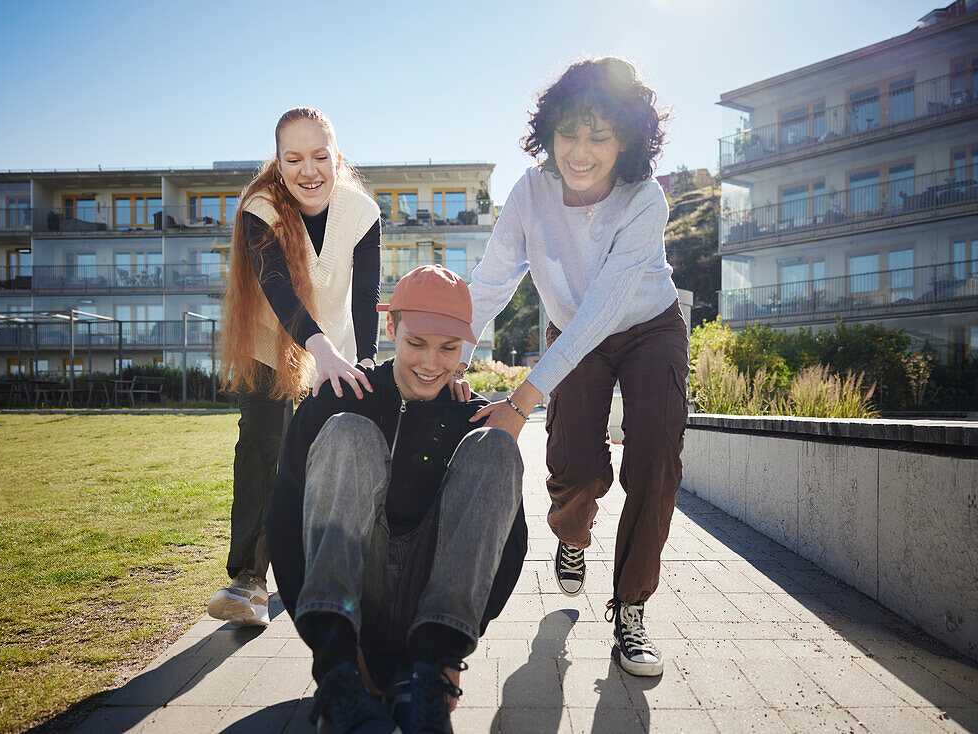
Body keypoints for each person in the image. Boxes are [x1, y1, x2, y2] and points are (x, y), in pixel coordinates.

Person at [461, 57, 686, 678]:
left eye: (599, 135)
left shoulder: (644, 201)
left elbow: (603, 312)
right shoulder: (529, 193)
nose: (579, 152)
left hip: (647, 328)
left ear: (628, 141)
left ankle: (632, 609)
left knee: (656, 460)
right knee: (575, 466)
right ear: (548, 131)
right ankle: (572, 537)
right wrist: (449, 353)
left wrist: (519, 401)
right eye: (568, 132)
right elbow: (492, 281)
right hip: (574, 330)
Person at [265, 265, 527, 734]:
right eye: (416, 344)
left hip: (430, 613)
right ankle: (341, 680)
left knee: (498, 446)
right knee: (348, 431)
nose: (431, 363)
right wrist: (328, 648)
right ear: (392, 329)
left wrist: (447, 656)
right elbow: (284, 519)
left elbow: (507, 544)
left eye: (448, 349)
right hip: (350, 605)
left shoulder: (471, 415)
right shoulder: (341, 394)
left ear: (464, 347)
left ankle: (424, 677)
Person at [210, 107, 381, 627]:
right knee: (264, 447)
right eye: (294, 158)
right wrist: (317, 346)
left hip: (334, 350)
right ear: (279, 165)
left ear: (336, 157)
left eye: (320, 156)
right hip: (270, 344)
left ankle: (319, 567)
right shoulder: (260, 207)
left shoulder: (362, 212)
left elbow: (366, 294)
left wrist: (367, 357)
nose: (309, 170)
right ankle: (249, 582)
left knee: (320, 457)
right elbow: (276, 285)